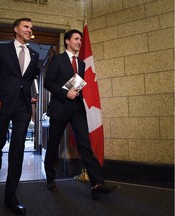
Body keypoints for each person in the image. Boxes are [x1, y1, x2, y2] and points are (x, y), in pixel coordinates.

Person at [43, 29, 120, 200]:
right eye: (76, 39)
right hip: (59, 108)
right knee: (53, 144)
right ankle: (50, 179)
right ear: (67, 41)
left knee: (85, 146)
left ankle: (97, 184)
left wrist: (74, 92)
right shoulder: (57, 59)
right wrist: (65, 93)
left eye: (80, 39)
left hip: (77, 110)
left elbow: (77, 85)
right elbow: (48, 83)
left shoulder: (82, 64)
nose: (79, 42)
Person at [0, 18, 39, 215]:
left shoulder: (33, 54)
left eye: (31, 28)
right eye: (26, 26)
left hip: (23, 107)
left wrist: (31, 97)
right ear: (16, 29)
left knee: (18, 148)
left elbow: (28, 79)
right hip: (2, 103)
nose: (29, 30)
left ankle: (10, 197)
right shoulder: (2, 50)